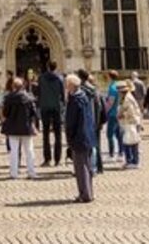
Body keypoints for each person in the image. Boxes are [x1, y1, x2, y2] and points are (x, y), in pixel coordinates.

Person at [65, 74, 96, 203]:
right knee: (87, 166)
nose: (65, 86)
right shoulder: (84, 97)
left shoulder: (75, 100)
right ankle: (89, 192)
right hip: (88, 135)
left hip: (79, 137)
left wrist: (69, 137)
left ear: (71, 86)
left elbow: (71, 122)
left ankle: (85, 194)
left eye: (66, 84)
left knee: (80, 167)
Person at [1, 76, 40, 180]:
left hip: (13, 128)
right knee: (29, 151)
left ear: (13, 86)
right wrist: (34, 125)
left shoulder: (9, 98)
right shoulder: (29, 98)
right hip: (26, 127)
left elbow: (5, 113)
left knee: (14, 151)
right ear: (22, 86)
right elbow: (34, 113)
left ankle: (14, 173)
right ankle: (31, 172)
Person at [37, 61, 65, 166]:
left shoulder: (41, 78)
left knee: (45, 134)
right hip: (56, 108)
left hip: (45, 108)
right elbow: (63, 95)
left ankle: (47, 159)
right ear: (56, 67)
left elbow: (38, 93)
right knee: (58, 135)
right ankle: (57, 160)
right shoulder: (60, 78)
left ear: (48, 67)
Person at [117, 81, 143, 169]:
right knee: (128, 142)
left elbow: (131, 112)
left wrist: (121, 115)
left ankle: (133, 161)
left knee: (131, 142)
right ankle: (130, 160)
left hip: (130, 123)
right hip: (128, 123)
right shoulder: (126, 97)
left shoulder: (128, 99)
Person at [103, 70, 122, 161]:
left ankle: (111, 154)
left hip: (112, 114)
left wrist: (105, 111)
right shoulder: (117, 86)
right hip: (117, 112)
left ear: (110, 77)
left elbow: (110, 102)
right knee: (118, 134)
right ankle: (121, 152)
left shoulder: (112, 88)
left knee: (110, 134)